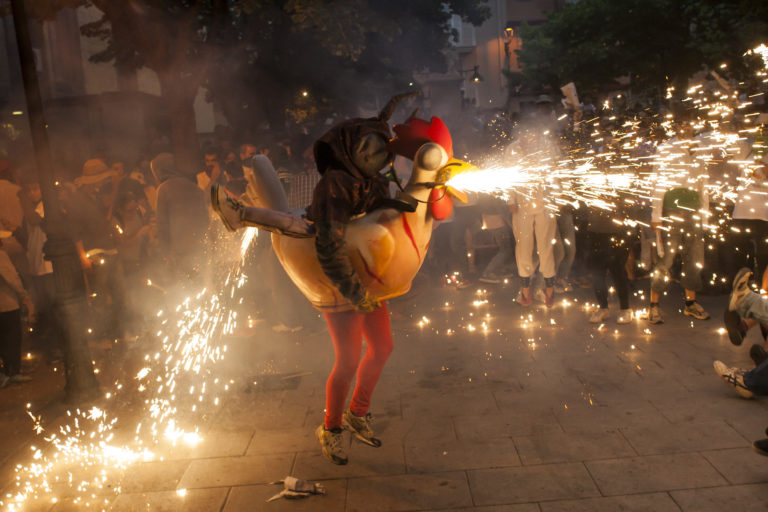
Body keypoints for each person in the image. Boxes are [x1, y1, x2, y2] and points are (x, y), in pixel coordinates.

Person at [645, 123, 710, 323]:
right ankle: (653, 305)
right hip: (671, 208)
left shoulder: (699, 148)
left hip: (694, 209)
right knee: (667, 257)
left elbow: (703, 185)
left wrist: (705, 216)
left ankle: (691, 303)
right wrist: (656, 215)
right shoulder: (666, 148)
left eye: (689, 124)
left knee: (695, 257)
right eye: (681, 123)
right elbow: (658, 183)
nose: (685, 128)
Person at [152, 153, 210, 281]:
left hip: (178, 248)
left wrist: (165, 252)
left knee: (181, 287)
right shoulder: (194, 187)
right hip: (199, 246)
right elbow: (206, 217)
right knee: (199, 283)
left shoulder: (163, 189)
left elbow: (162, 224)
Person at [0, 229, 34, 386]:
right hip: (6, 304)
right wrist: (23, 294)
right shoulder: (1, 255)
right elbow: (11, 277)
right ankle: (12, 371)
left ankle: (7, 371)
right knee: (12, 339)